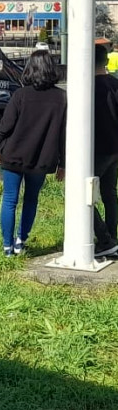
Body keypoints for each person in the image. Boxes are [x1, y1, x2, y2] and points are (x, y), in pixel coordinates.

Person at [0, 48, 66, 257]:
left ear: (29, 69)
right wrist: (63, 163)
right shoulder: (62, 98)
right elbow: (64, 133)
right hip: (42, 158)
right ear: (51, 69)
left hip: (14, 154)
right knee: (31, 199)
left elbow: (6, 126)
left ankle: (7, 248)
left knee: (9, 200)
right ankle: (20, 241)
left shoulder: (20, 95)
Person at [93, 42, 118, 257]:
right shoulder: (114, 83)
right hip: (114, 148)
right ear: (107, 61)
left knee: (82, 195)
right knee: (110, 194)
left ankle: (104, 238)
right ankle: (112, 236)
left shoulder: (88, 88)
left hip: (97, 149)